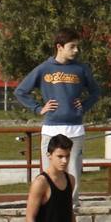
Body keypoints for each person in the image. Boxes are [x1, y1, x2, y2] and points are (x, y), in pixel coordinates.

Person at [14, 29, 103, 202]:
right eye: (72, 46)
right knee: (49, 174)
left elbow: (96, 92)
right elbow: (21, 91)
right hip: (51, 130)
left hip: (75, 130)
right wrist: (38, 108)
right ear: (59, 47)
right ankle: (49, 207)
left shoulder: (81, 69)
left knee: (73, 172)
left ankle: (71, 209)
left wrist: (84, 106)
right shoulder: (44, 68)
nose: (76, 50)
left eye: (77, 47)